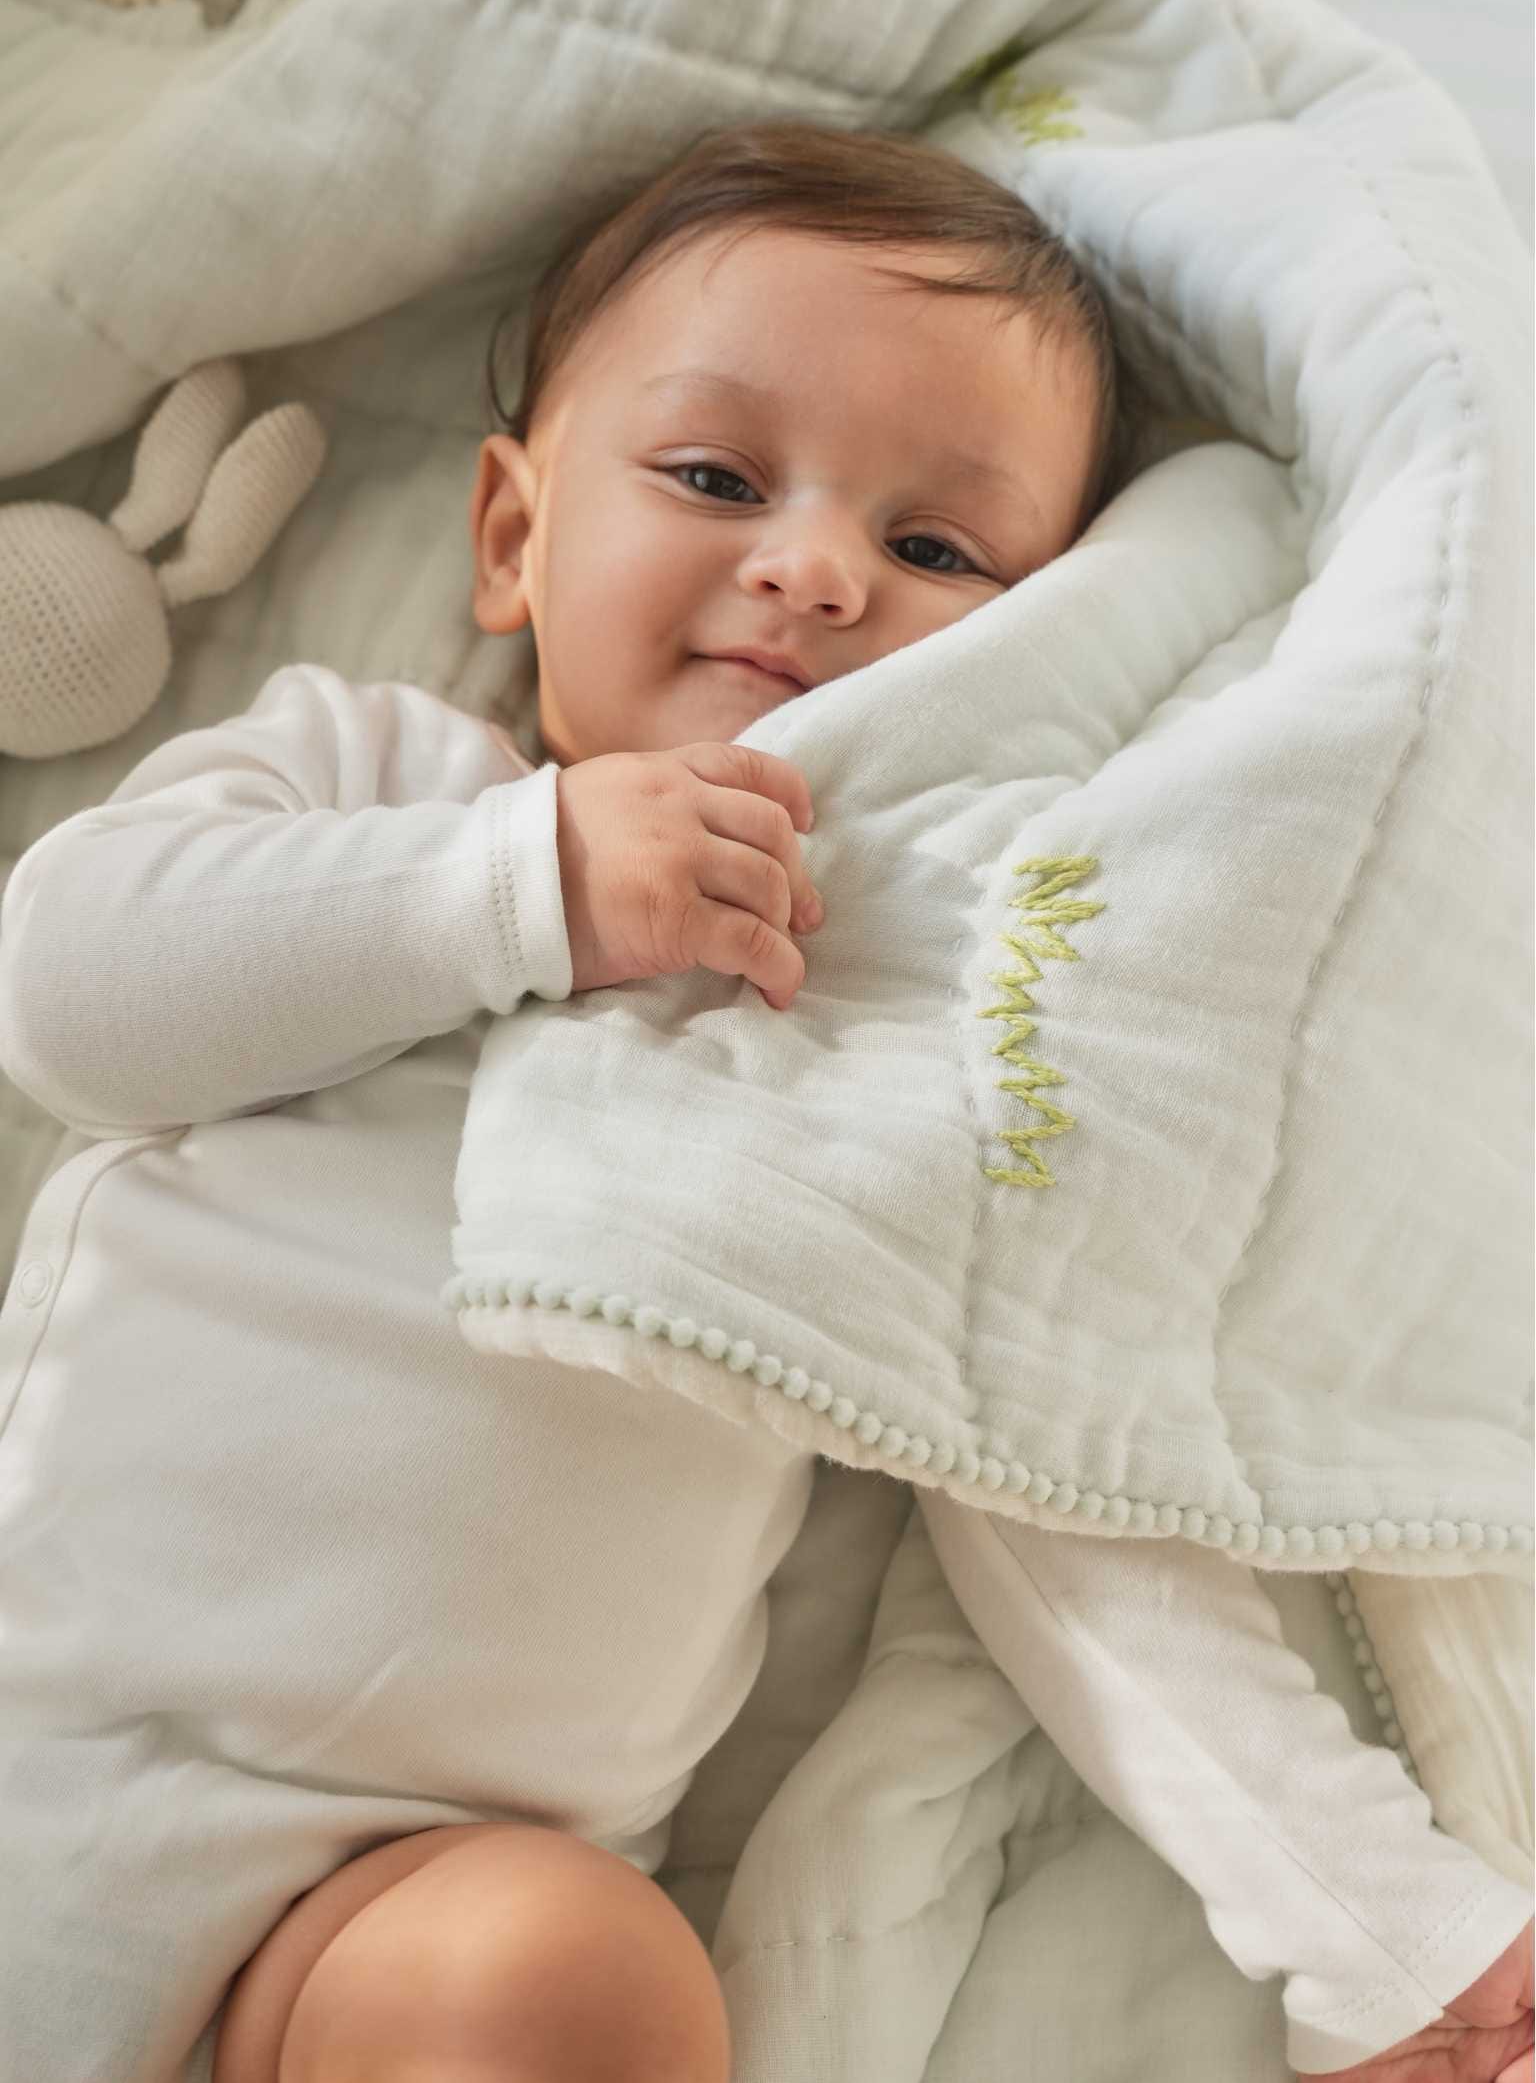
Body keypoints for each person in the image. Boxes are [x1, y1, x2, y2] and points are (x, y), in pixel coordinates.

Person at [0, 120, 1528, 2083]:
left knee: (578, 1979)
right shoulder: (375, 776)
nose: (812, 568)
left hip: (413, 1908)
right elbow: (72, 987)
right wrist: (520, 884)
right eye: (715, 477)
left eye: (935, 548)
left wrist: (1379, 1922)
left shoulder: (902, 1024)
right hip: (53, 1741)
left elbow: (1055, 1503)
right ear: (511, 537)